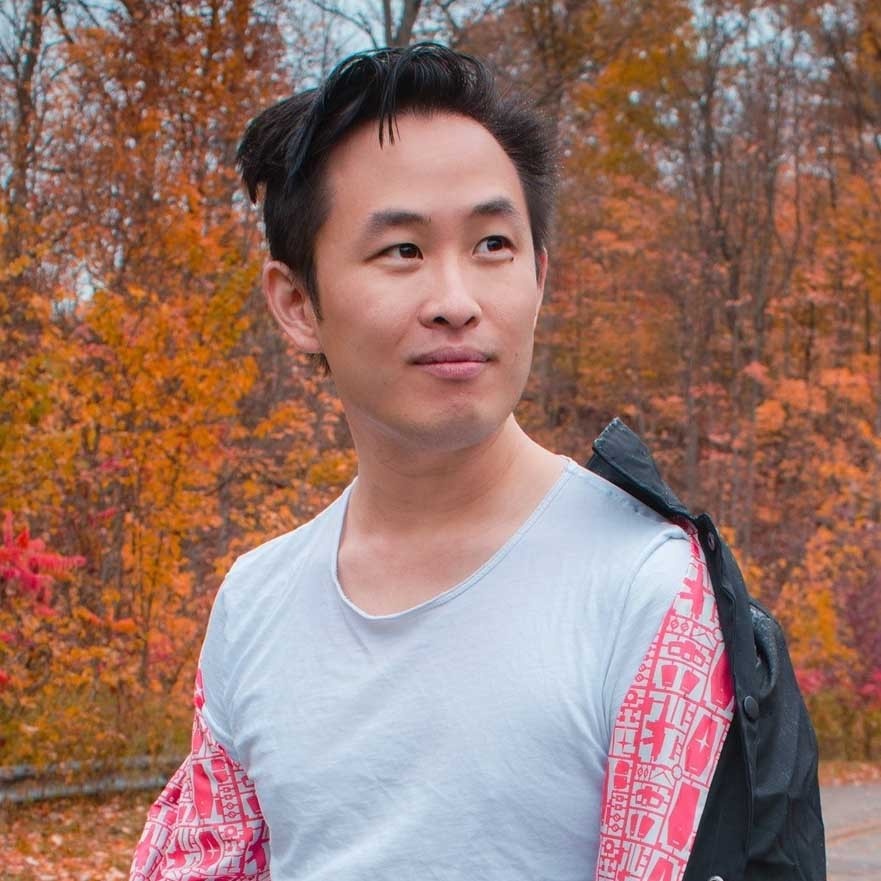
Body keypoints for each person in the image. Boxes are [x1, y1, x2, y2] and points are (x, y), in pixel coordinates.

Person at [129, 43, 734, 881]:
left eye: (492, 244)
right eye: (402, 251)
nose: (456, 301)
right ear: (296, 303)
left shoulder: (645, 581)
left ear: (538, 277)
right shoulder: (255, 602)